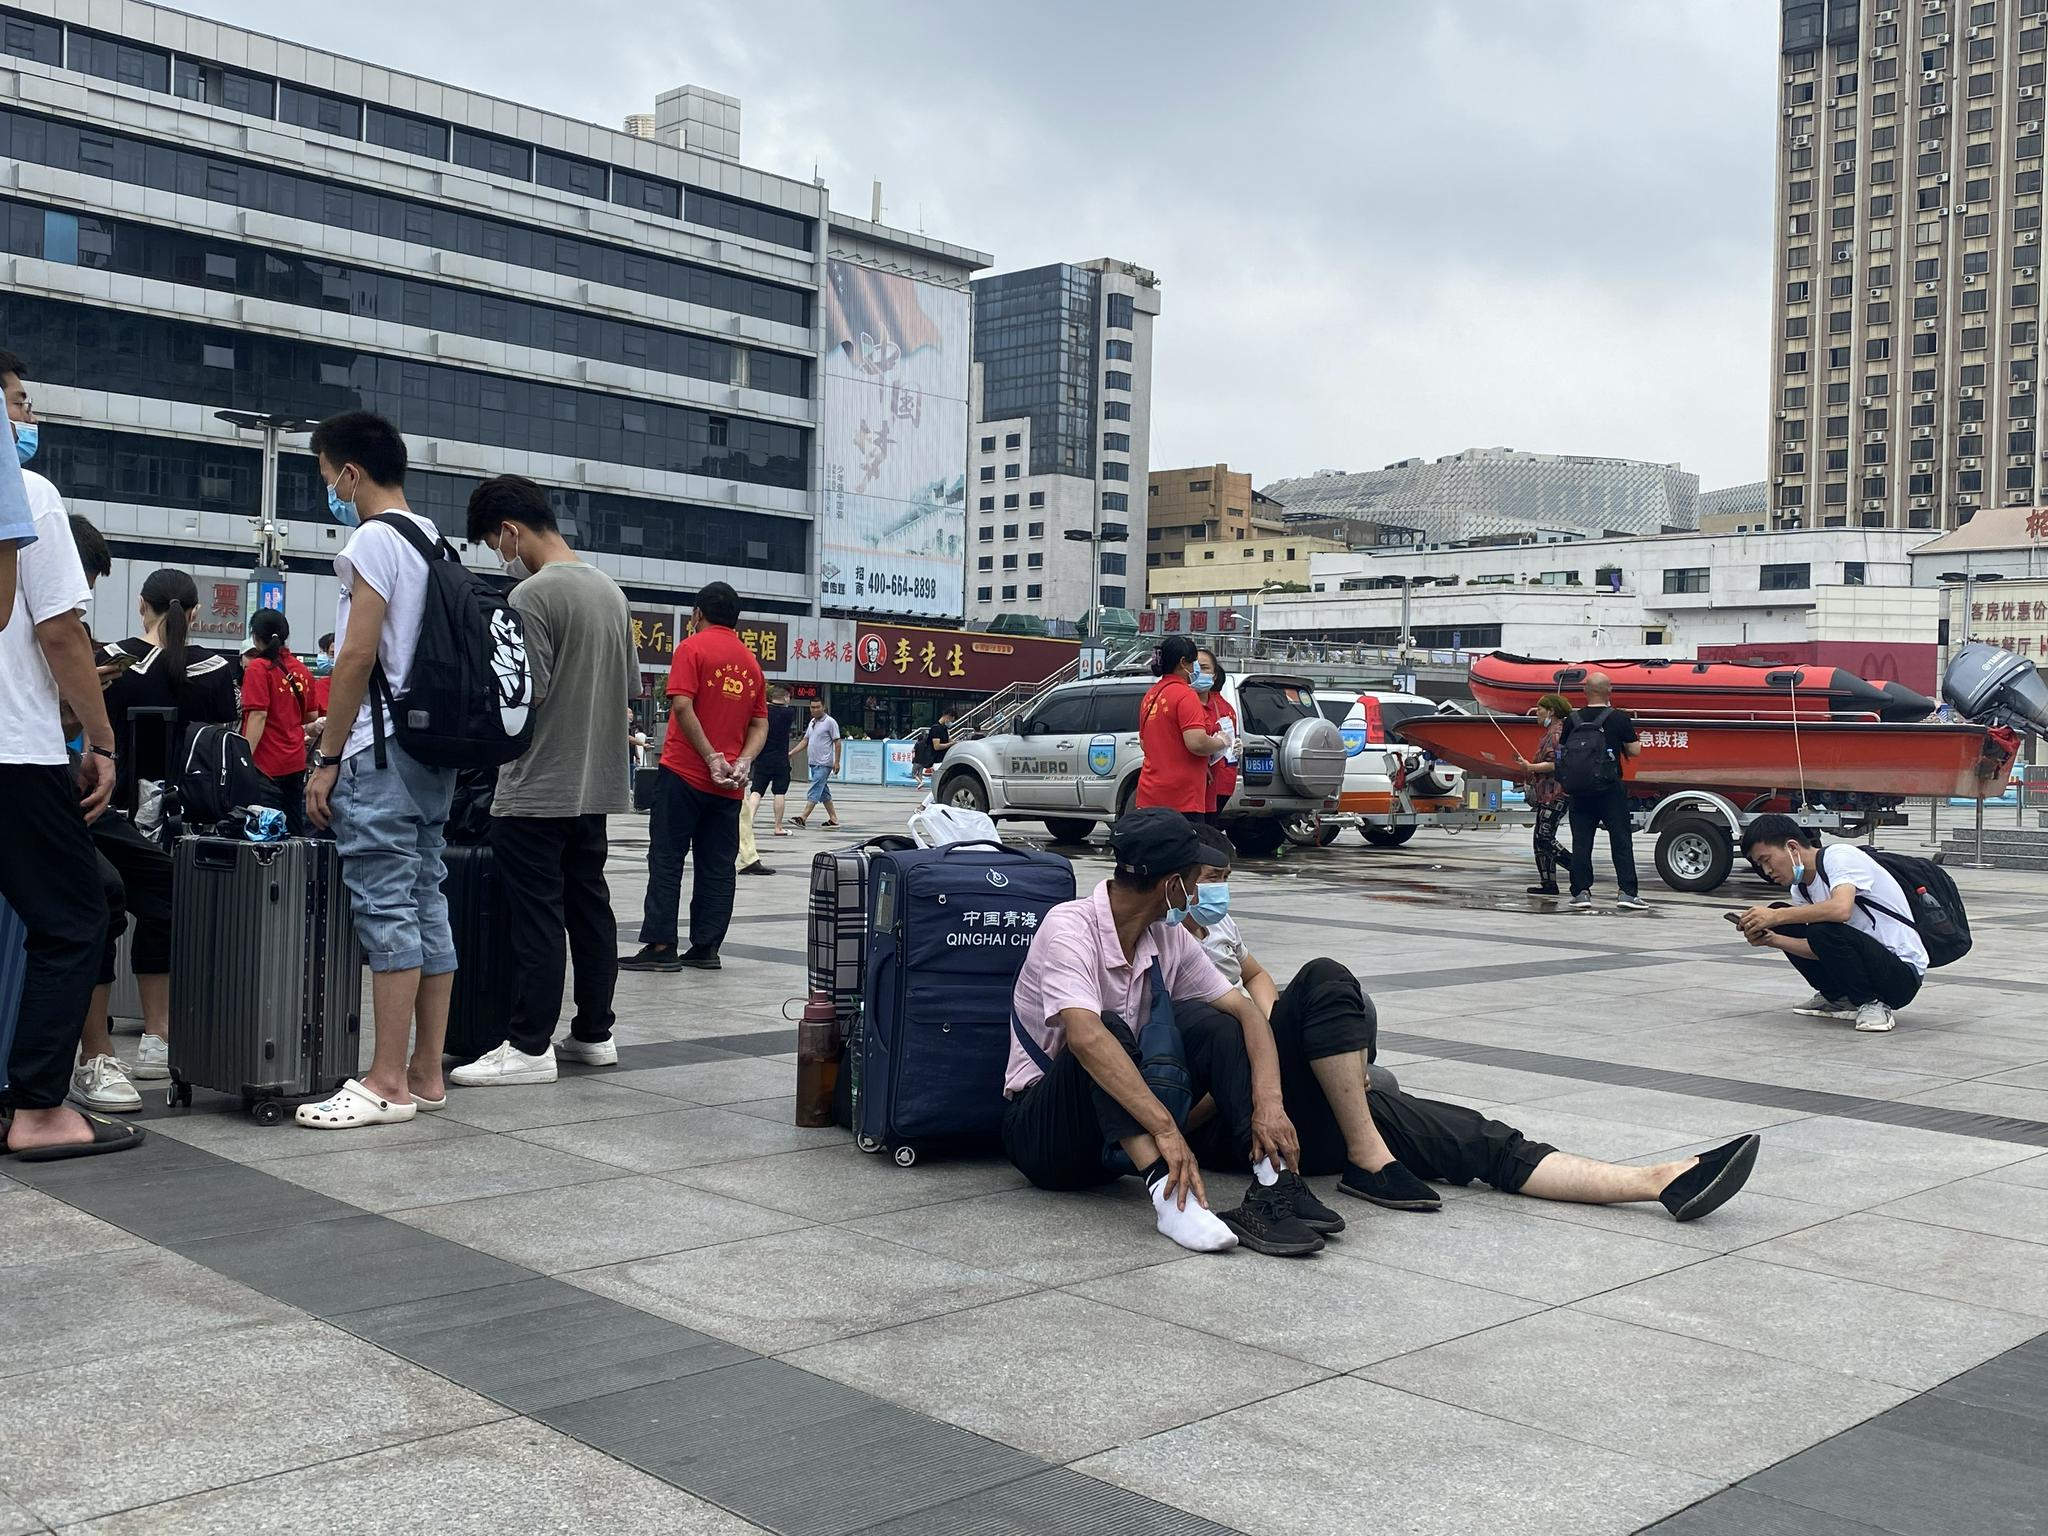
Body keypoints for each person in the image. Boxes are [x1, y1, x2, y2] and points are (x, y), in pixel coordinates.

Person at [1185, 828, 1762, 1222]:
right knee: (1324, 978)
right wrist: (1257, 1066)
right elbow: (1171, 1104)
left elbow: (1257, 976)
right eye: (1209, 877)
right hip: (1241, 1124)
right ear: (1177, 882)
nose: (1218, 889)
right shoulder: (1153, 964)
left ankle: (1658, 1181)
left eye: (1225, 876)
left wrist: (1261, 1024)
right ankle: (1369, 1157)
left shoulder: (1218, 931)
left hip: (1300, 1112)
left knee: (1481, 1140)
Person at [1002, 807, 1330, 1258]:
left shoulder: (1166, 936)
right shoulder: (1069, 928)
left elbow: (1248, 1013)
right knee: (1103, 1028)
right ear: (1172, 884)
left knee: (1220, 1024)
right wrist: (1167, 1131)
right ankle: (1169, 1197)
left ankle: (1273, 1184)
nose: (1200, 891)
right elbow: (1084, 1037)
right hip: (1047, 1138)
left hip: (1115, 1138)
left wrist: (1270, 1107)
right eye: (1197, 878)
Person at [297, 411, 458, 1129]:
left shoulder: (372, 539)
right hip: (433, 755)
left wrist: (326, 759)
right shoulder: (435, 538)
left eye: (326, 473)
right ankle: (426, 1071)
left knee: (387, 904)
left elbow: (357, 656)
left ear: (350, 473)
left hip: (380, 753)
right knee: (428, 900)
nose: (328, 487)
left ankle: (386, 1080)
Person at [448, 475, 637, 1085]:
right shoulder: (610, 591)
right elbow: (630, 690)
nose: (498, 555)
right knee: (589, 907)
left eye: (493, 543)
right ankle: (594, 1032)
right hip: (596, 782)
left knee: (535, 914)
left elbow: (522, 694)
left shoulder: (530, 596)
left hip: (535, 784)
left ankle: (529, 1045)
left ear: (512, 530)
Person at [0, 350, 140, 1160]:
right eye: (18, 405)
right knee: (76, 917)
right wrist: (102, 740)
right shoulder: (30, 494)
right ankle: (40, 1108)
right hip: (14, 753)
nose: (28, 421)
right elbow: (60, 630)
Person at [62, 515, 178, 1114]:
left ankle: (157, 1036)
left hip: (76, 780)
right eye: (80, 577)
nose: (82, 592)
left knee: (161, 879)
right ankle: (93, 1055)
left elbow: (65, 725)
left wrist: (90, 695)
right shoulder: (39, 624)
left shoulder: (75, 631)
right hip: (41, 778)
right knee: (100, 894)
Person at [623, 581, 767, 973]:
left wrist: (709, 757)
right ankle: (706, 947)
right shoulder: (751, 663)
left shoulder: (692, 648)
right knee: (718, 865)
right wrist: (742, 761)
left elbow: (683, 706)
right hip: (729, 787)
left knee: (667, 858)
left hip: (685, 773)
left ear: (697, 614)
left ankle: (661, 945)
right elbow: (759, 723)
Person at [1735, 814, 1928, 1033]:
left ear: (1792, 847)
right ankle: (1838, 997)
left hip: (1900, 975)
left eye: (1766, 860)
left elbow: (1841, 909)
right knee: (1783, 916)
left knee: (1806, 922)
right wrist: (1773, 939)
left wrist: (1775, 917)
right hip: (1863, 961)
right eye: (1760, 865)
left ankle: (1873, 1003)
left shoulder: (1839, 857)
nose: (1766, 871)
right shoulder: (1801, 888)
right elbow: (1819, 948)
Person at [1562, 671, 1645, 911]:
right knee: (1620, 840)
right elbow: (1635, 751)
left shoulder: (1572, 719)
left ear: (1584, 692)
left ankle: (1581, 893)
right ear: (1610, 691)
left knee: (1581, 842)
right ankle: (1627, 893)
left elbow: (1564, 752)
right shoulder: (1618, 718)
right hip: (1610, 789)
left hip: (1579, 790)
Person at [241, 609, 317, 834]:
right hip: (295, 761)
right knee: (293, 831)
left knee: (263, 833)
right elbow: (311, 716)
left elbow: (258, 716)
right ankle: (297, 870)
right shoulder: (302, 670)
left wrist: (243, 759)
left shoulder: (258, 668)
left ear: (255, 637)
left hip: (265, 764)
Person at [1136, 636, 1225, 823]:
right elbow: (1197, 742)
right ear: (1183, 663)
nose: (1195, 668)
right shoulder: (1185, 695)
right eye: (1193, 662)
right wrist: (1221, 742)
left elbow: (1145, 743)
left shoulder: (1151, 695)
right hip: (1181, 798)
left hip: (1149, 795)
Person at [1512, 692, 1574, 897]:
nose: (1536, 713)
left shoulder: (1556, 734)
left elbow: (1556, 763)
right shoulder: (1551, 733)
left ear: (1552, 711)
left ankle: (1577, 867)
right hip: (1546, 794)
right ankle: (1548, 882)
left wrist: (1531, 767)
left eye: (1540, 709)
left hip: (1554, 794)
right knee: (1539, 840)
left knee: (1544, 837)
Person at [737, 682, 797, 877]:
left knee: (756, 791)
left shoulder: (765, 712)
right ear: (786, 697)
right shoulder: (789, 714)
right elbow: (785, 709)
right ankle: (778, 826)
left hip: (762, 757)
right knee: (779, 792)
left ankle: (750, 821)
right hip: (781, 758)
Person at [1195, 649, 1239, 818]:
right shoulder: (1228, 708)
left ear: (1215, 677)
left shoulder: (1211, 706)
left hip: (1212, 777)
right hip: (1226, 776)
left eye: (1205, 668)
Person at [791, 697, 842, 830]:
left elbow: (837, 742)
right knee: (824, 793)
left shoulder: (830, 722)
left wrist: (836, 761)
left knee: (814, 790)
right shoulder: (812, 722)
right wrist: (791, 753)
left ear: (823, 707)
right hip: (813, 763)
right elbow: (805, 740)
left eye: (817, 707)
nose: (815, 710)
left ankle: (803, 818)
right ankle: (834, 819)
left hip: (824, 763)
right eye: (812, 707)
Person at [911, 708, 956, 791]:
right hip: (937, 761)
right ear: (947, 716)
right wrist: (951, 744)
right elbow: (937, 746)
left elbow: (947, 740)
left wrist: (952, 742)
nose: (951, 723)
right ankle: (925, 804)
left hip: (942, 759)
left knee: (941, 787)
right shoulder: (936, 728)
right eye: (951, 720)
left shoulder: (944, 729)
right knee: (940, 787)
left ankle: (925, 804)